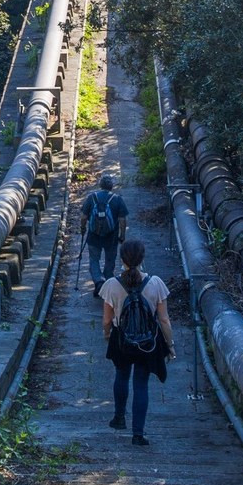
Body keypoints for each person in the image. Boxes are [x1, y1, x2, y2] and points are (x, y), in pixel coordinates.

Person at [99, 237, 174, 445]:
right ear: (142, 258)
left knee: (121, 376)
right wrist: (170, 345)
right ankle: (138, 434)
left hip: (121, 339)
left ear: (122, 259)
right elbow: (164, 319)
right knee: (141, 384)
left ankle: (119, 417)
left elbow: (106, 319)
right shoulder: (156, 283)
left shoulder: (111, 285)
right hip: (147, 342)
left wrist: (107, 335)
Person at [83, 173, 129, 295]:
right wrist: (122, 235)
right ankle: (108, 283)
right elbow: (122, 219)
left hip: (94, 236)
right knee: (110, 260)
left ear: (100, 185)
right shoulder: (117, 199)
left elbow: (84, 216)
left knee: (94, 259)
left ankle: (98, 281)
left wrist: (83, 229)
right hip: (111, 237)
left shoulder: (91, 197)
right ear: (111, 186)